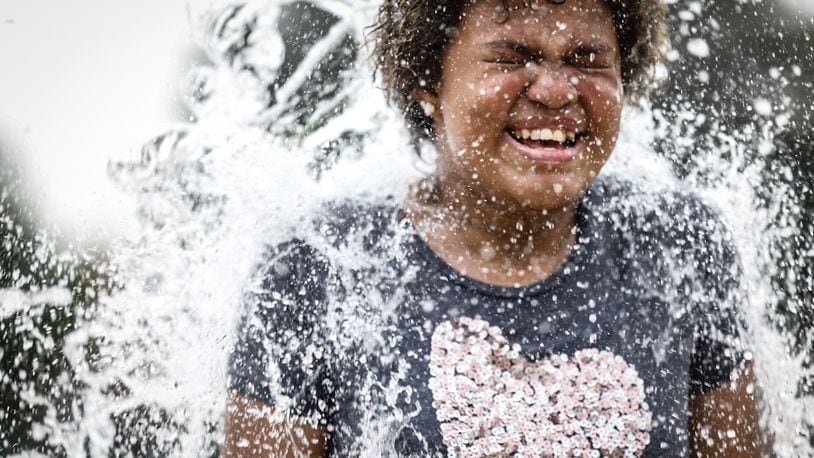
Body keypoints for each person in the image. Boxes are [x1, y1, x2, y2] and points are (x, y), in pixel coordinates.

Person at [222, 0, 762, 456]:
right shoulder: (318, 265)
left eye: (587, 60)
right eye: (512, 57)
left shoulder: (680, 245)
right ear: (428, 81)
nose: (555, 91)